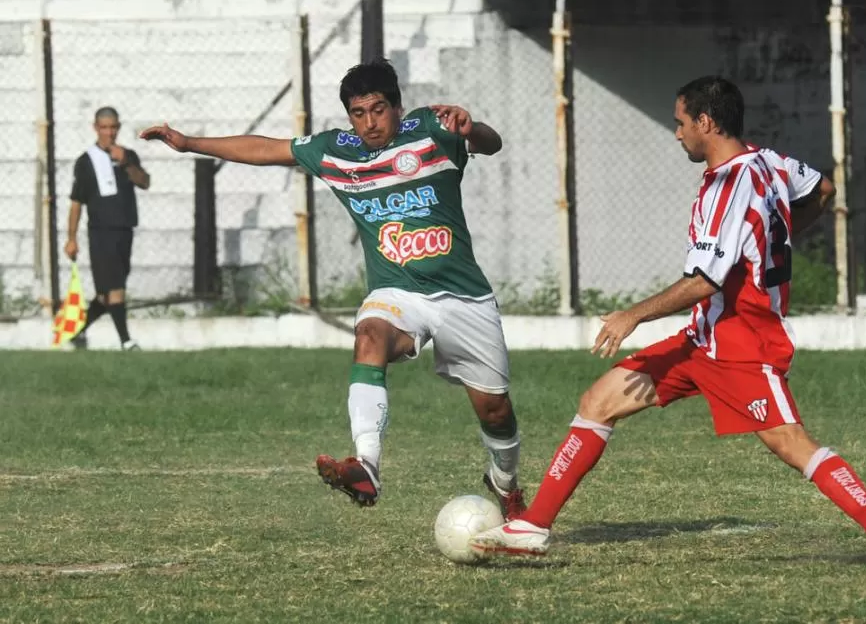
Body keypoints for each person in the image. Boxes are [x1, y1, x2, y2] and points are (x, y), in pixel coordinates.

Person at [469, 76, 866, 574]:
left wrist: (632, 316)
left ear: (705, 122)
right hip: (702, 339)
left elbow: (703, 282)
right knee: (598, 401)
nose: (677, 133)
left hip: (742, 344)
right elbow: (824, 189)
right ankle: (532, 528)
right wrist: (774, 237)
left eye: (681, 123)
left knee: (792, 444)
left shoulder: (727, 187)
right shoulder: (768, 161)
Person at [139, 59, 526, 518]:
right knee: (368, 336)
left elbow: (491, 143)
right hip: (398, 293)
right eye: (358, 113)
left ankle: (506, 484)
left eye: (378, 109)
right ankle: (367, 464)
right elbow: (266, 149)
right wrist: (188, 144)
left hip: (463, 297)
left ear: (397, 106)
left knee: (496, 412)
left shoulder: (431, 130)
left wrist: (471, 126)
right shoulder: (339, 152)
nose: (370, 122)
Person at [65, 106, 151, 350]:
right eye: (104, 128)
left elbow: (144, 182)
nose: (109, 133)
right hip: (101, 233)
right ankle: (126, 341)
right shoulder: (85, 161)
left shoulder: (128, 155)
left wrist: (126, 164)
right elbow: (76, 203)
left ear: (119, 128)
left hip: (125, 230)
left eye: (113, 127)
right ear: (96, 128)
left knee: (106, 295)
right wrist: (71, 238)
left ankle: (77, 334)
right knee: (116, 290)